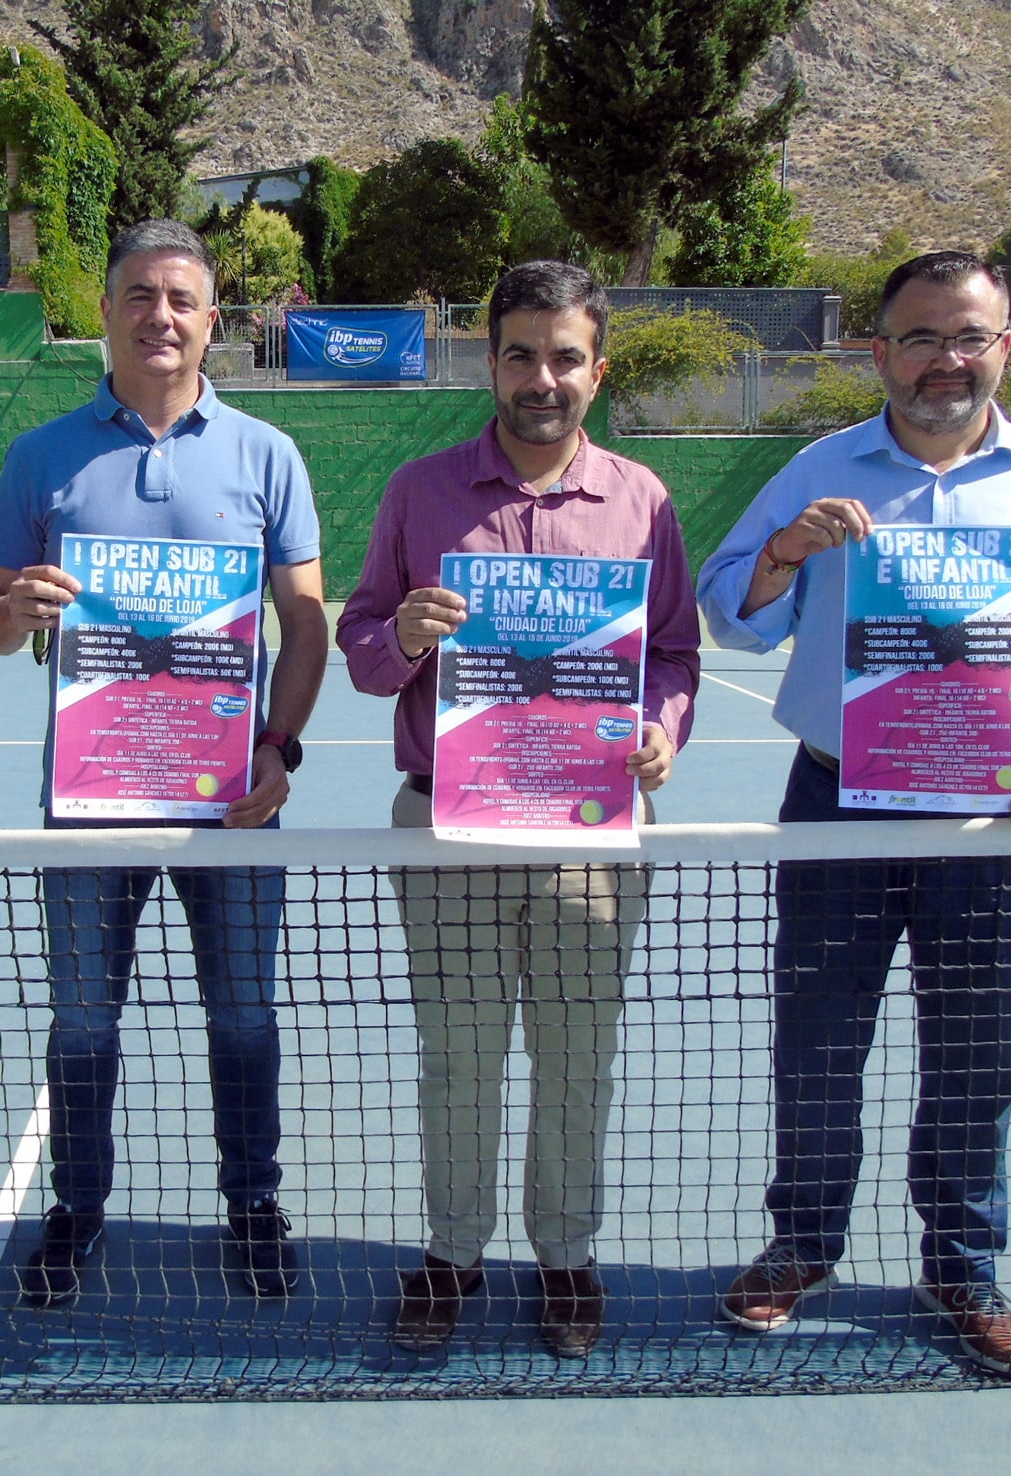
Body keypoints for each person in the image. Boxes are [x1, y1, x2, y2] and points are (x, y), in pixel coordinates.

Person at [697, 251, 1011, 1378]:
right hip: (837, 803)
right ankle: (801, 1244)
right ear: (879, 351)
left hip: (996, 824)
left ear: (1006, 347)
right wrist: (780, 552)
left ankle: (961, 1265)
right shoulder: (814, 469)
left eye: (969, 337)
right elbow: (731, 615)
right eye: (919, 337)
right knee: (816, 1040)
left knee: (974, 1052)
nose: (944, 360)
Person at [336, 260, 700, 1358]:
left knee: (575, 1055)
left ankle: (566, 1259)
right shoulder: (418, 490)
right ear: (488, 361)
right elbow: (358, 652)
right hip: (447, 828)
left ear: (598, 367)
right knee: (459, 1056)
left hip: (590, 837)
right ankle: (451, 1257)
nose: (543, 376)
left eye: (565, 356)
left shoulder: (644, 500)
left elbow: (673, 655)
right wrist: (400, 635)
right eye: (520, 354)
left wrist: (661, 732)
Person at [0, 219, 326, 1305]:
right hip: (89, 802)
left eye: (181, 298)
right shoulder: (40, 455)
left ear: (213, 320)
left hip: (233, 805)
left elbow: (301, 624)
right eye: (138, 295)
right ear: (107, 314)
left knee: (245, 1017)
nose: (159, 315)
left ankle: (252, 1204)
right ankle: (76, 1209)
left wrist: (278, 745)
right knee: (80, 1021)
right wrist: (7, 606)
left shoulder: (268, 454)